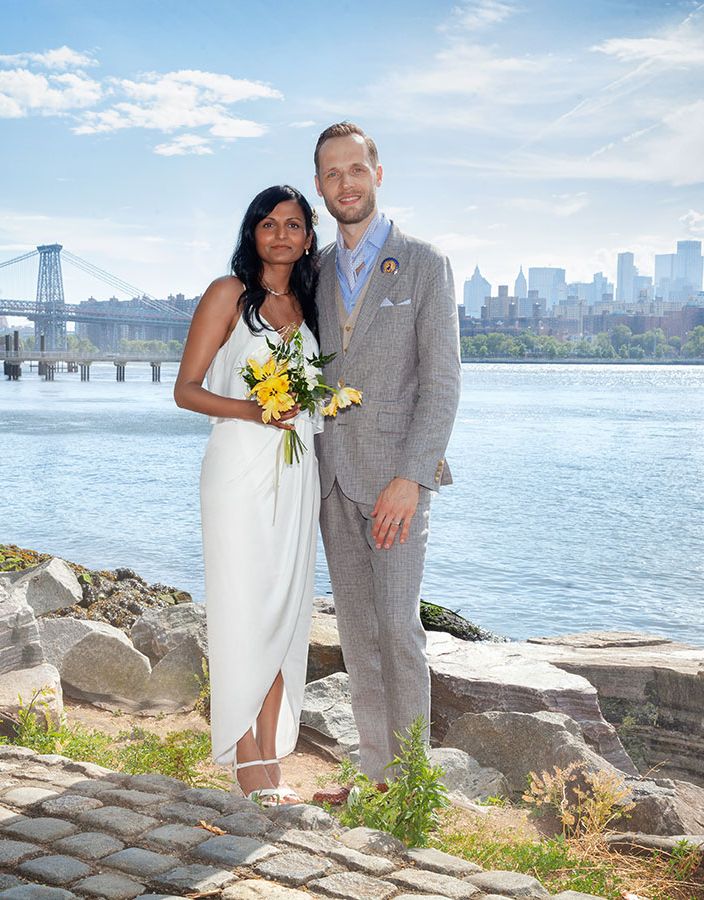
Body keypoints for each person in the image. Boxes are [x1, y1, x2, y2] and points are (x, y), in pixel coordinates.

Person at [310, 122, 461, 790]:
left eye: (356, 169)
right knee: (356, 634)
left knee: (398, 631)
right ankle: (377, 776)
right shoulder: (313, 269)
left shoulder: (424, 262)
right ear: (320, 186)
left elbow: (442, 383)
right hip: (332, 477)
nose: (346, 183)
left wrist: (411, 477)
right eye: (332, 173)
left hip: (397, 482)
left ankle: (414, 787)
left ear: (378, 172)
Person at [172, 184, 321, 806]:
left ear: (309, 237)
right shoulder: (227, 295)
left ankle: (271, 758)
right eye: (269, 224)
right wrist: (256, 411)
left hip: (298, 470)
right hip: (239, 467)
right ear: (252, 233)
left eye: (293, 225)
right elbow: (185, 389)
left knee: (286, 610)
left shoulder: (311, 305)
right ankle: (244, 760)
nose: (281, 235)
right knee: (244, 608)